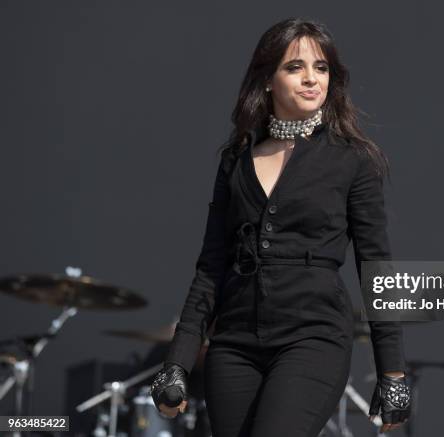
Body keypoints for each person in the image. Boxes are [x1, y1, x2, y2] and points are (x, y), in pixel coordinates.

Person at [150, 17, 411, 437]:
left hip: (313, 338)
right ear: (268, 79)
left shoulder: (352, 159)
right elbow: (210, 266)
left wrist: (393, 373)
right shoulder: (235, 159)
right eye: (295, 67)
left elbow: (375, 266)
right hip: (234, 343)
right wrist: (177, 362)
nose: (312, 79)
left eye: (321, 68)